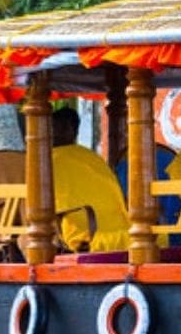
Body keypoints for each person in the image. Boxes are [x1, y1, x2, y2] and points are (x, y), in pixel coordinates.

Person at [51, 108, 130, 252]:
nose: (56, 132)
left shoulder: (48, 160)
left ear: (74, 131)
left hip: (89, 229)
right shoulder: (90, 158)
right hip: (89, 225)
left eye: (62, 127)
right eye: (55, 127)